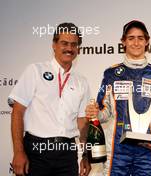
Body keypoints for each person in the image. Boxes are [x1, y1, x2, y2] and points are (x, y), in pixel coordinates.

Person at [86, 20, 151, 175]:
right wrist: (95, 113)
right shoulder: (111, 74)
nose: (136, 42)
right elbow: (104, 111)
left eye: (140, 38)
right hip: (117, 151)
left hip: (148, 151)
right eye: (131, 38)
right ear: (123, 42)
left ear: (147, 42)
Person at [8, 22, 91, 176]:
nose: (69, 48)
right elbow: (17, 112)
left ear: (78, 48)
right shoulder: (35, 70)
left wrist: (85, 155)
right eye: (64, 43)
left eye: (74, 44)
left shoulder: (81, 81)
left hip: (67, 153)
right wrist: (18, 152)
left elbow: (82, 123)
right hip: (36, 151)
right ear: (54, 45)